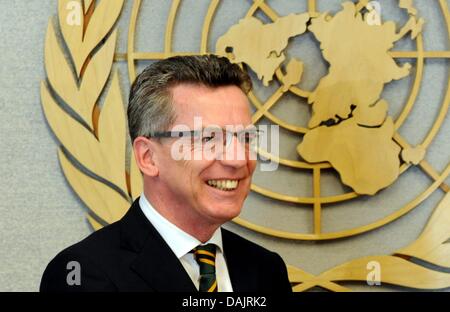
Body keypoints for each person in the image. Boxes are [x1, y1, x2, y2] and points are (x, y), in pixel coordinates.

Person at [40, 55, 292, 292]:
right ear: (148, 157)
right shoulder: (83, 274)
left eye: (246, 138)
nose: (237, 159)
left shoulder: (266, 269)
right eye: (208, 139)